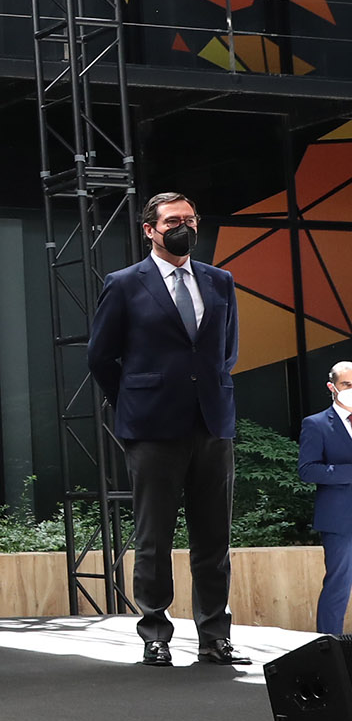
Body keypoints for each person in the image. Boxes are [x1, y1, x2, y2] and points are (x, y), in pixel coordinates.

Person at [87, 192, 249, 668]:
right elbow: (100, 356)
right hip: (152, 427)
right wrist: (134, 401)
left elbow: (227, 350)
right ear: (150, 230)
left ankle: (215, 637)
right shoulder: (123, 284)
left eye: (191, 219)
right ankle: (155, 634)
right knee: (154, 538)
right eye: (173, 220)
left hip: (212, 423)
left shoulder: (220, 281)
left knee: (214, 538)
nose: (184, 227)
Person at [300, 362, 352, 636]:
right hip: (340, 520)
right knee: (339, 585)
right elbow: (307, 470)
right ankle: (329, 647)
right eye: (347, 385)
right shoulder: (316, 424)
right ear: (332, 387)